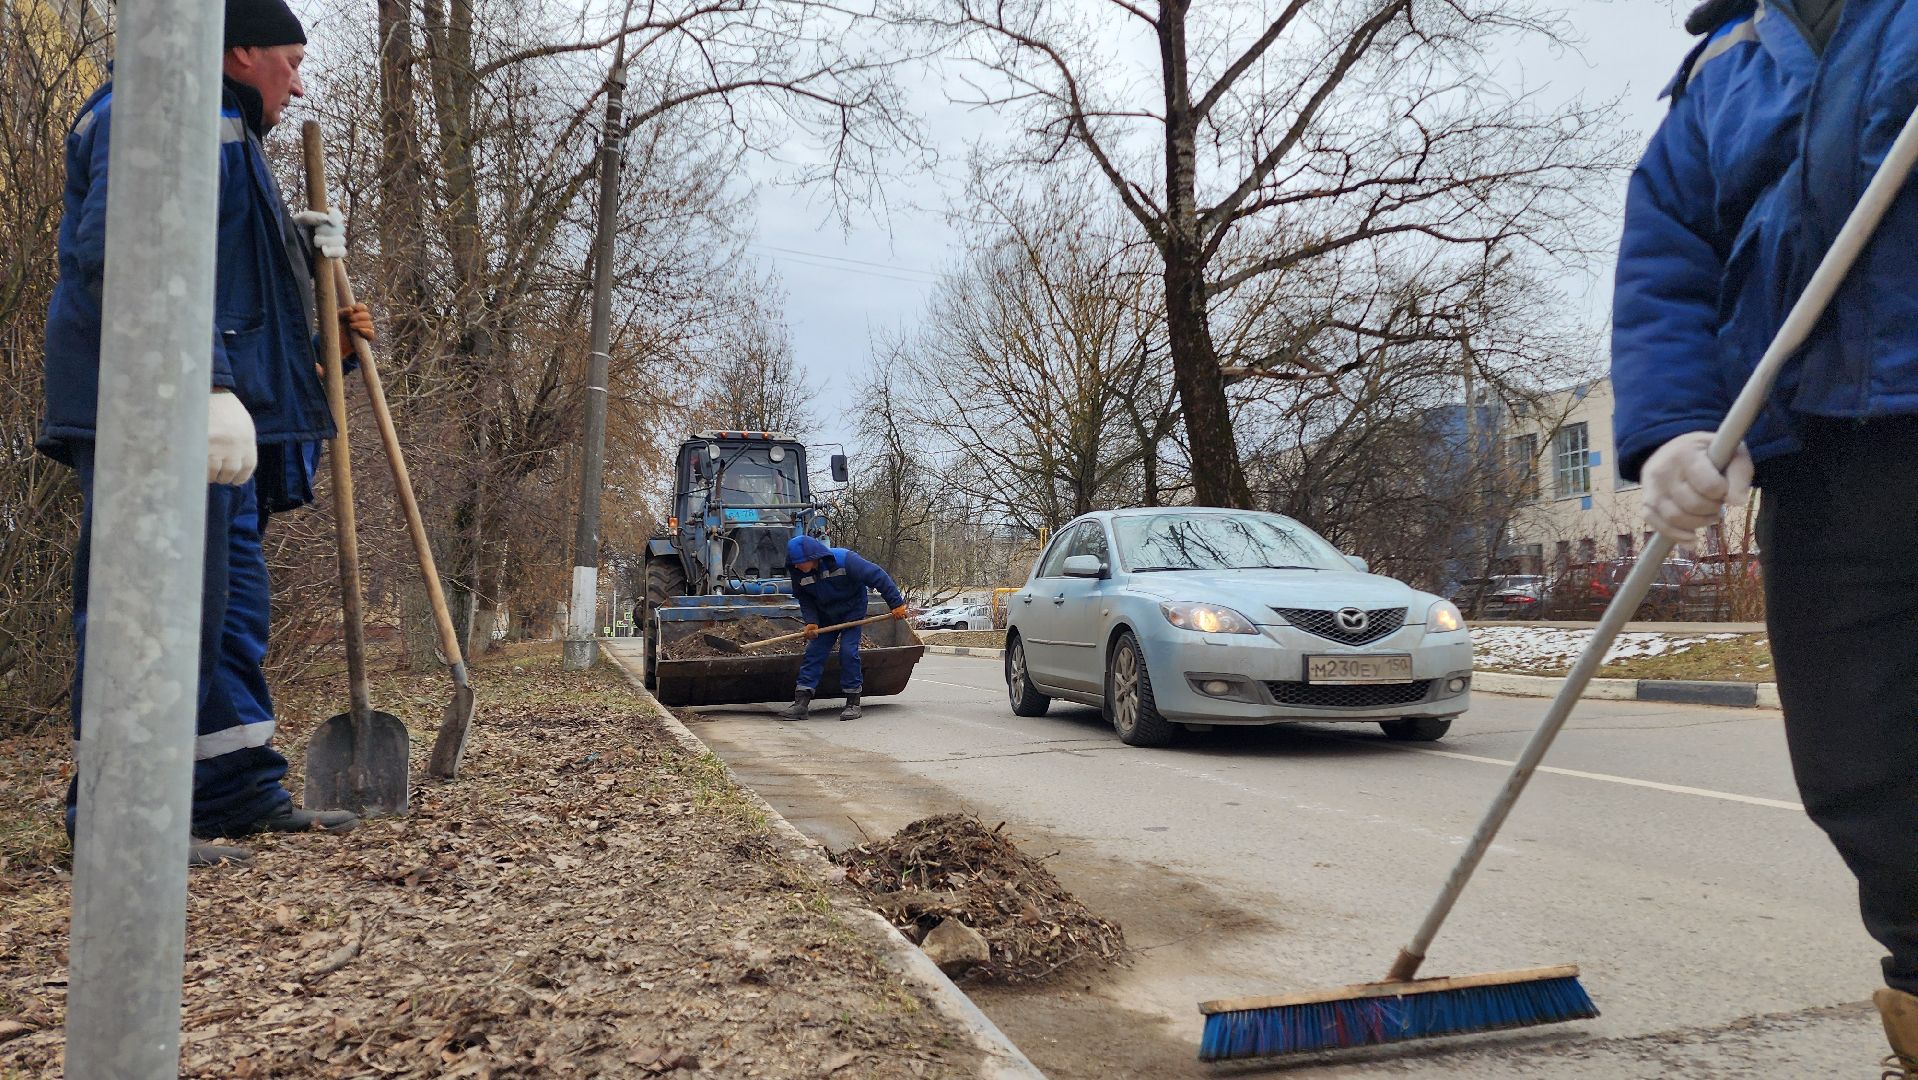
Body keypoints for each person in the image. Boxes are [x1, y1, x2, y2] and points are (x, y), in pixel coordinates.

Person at [1613, 0, 1918, 1071]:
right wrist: (1670, 424)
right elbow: (1666, 263)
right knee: (1861, 770)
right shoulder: (1722, 68)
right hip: (1818, 457)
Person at [42, 0, 376, 866]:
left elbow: (234, 303)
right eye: (290, 60)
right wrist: (205, 387)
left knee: (227, 614)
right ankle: (120, 814)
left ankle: (231, 793)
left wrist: (322, 350)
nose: (299, 83)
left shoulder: (233, 141)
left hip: (211, 415)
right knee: (149, 609)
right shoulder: (157, 113)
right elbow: (122, 253)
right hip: (150, 411)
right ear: (237, 51)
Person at [779, 535, 908, 721]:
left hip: (851, 612)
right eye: (795, 563)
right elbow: (805, 599)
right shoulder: (798, 572)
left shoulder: (845, 560)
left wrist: (896, 604)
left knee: (848, 652)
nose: (797, 566)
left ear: (813, 556)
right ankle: (801, 703)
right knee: (814, 652)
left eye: (800, 562)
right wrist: (811, 621)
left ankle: (853, 703)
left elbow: (877, 576)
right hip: (825, 615)